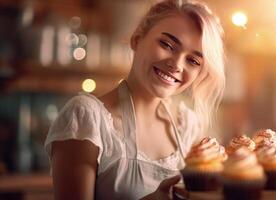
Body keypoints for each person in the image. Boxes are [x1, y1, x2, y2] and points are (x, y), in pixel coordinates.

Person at [44, 0, 225, 199]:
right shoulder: (87, 117)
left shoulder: (188, 125)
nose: (176, 65)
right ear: (137, 39)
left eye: (193, 60)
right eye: (167, 44)